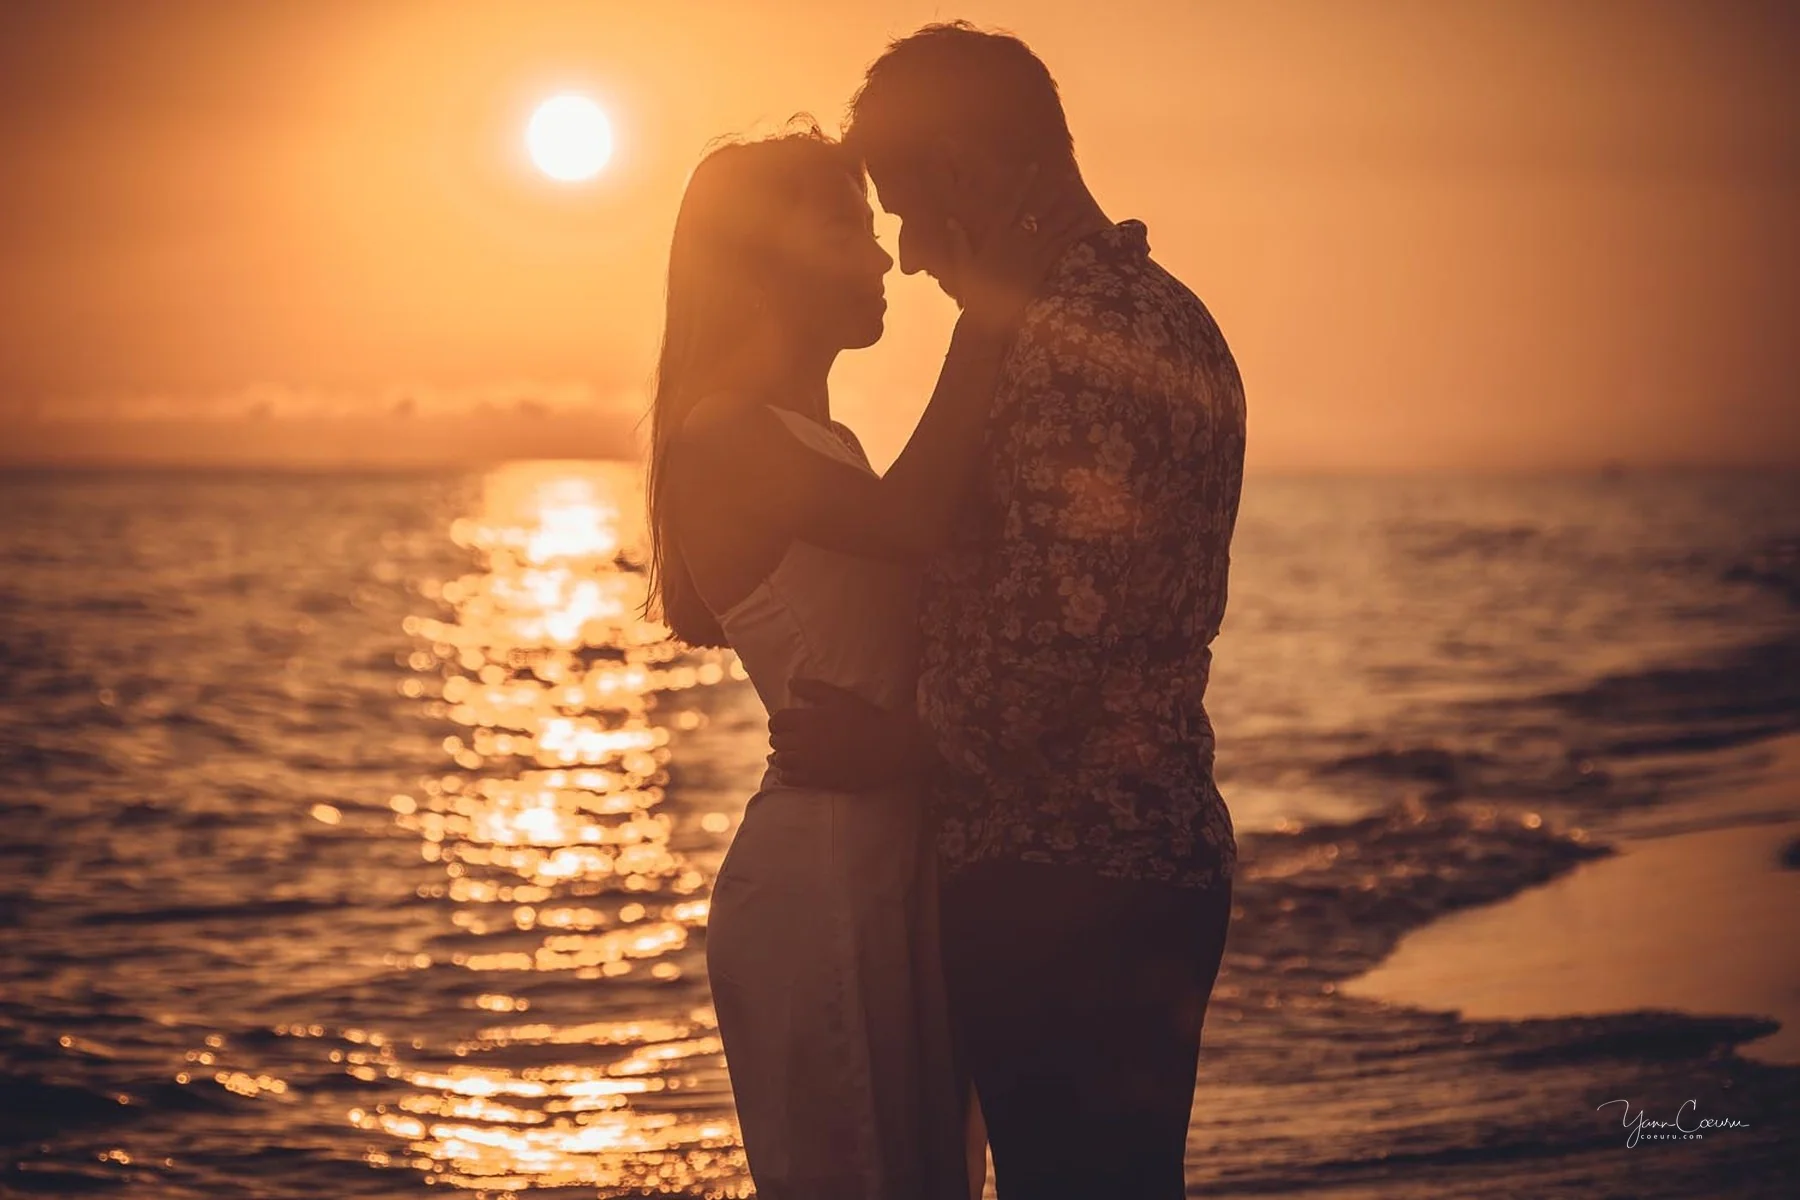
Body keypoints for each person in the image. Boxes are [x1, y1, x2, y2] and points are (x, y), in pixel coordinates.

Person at [766, 23, 1246, 1199]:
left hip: (1059, 885)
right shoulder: (1171, 314)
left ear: (971, 172)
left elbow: (1053, 645)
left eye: (909, 209)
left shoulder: (1071, 346)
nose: (915, 256)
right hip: (1149, 858)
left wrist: (890, 744)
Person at [642, 124, 1078, 1198]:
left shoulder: (808, 438)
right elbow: (920, 520)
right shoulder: (725, 435)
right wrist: (990, 318)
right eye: (847, 228)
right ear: (764, 256)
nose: (883, 258)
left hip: (887, 867)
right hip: (826, 884)